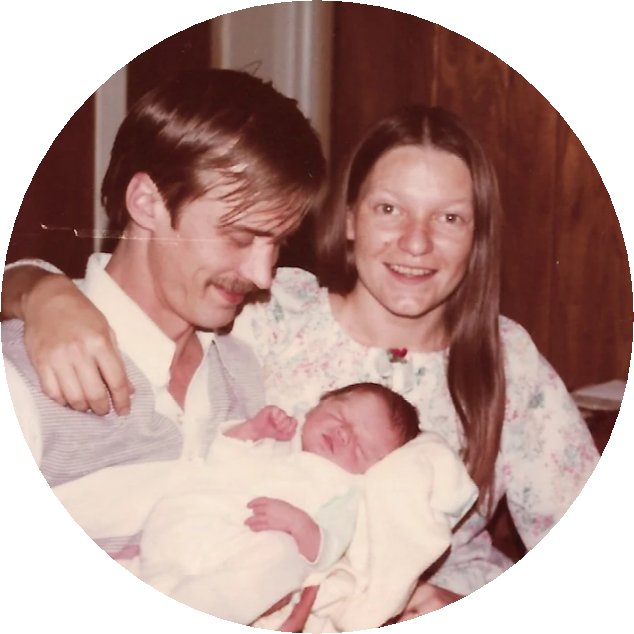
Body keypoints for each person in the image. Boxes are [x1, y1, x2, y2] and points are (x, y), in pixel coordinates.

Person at [1, 104, 600, 618]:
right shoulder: (270, 309)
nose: (416, 243)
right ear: (347, 220)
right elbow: (149, 290)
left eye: (450, 218)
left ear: (478, 237)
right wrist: (38, 289)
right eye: (389, 209)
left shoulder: (506, 360)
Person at [2, 67, 327, 630]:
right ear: (148, 202)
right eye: (239, 235)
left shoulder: (246, 371)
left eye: (277, 242)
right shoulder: (21, 380)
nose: (263, 273)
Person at [53, 382, 463, 628]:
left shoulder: (344, 488)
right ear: (318, 403)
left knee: (282, 559)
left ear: (372, 468)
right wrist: (251, 430)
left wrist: (301, 525)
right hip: (191, 520)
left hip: (238, 557)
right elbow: (219, 462)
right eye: (339, 415)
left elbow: (331, 544)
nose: (343, 434)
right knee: (179, 500)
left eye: (361, 444)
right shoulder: (279, 439)